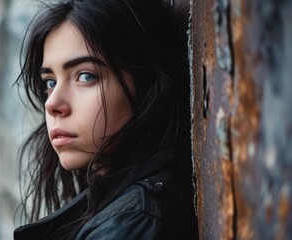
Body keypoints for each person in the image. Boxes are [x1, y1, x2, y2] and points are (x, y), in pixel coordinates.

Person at [14, 0, 198, 239]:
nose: (52, 104)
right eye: (50, 82)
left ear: (145, 87)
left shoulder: (130, 224)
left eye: (86, 76)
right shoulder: (119, 204)